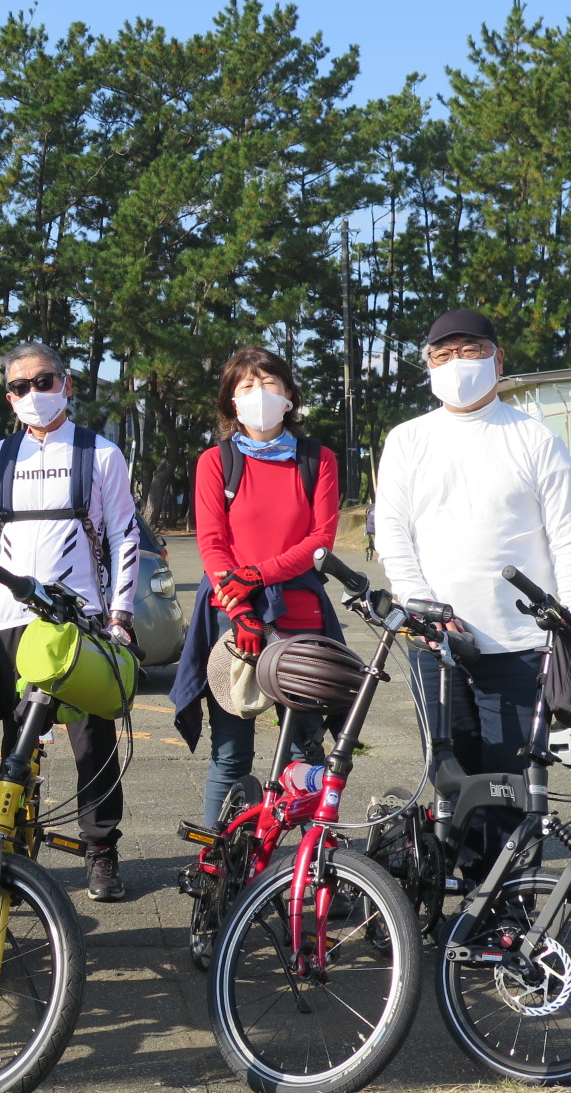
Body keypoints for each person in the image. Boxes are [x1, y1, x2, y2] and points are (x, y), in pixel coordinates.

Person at [375, 308, 571, 872]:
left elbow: (569, 533)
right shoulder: (407, 440)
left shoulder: (534, 437)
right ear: (427, 366)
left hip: (522, 645)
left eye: (469, 350)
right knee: (453, 780)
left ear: (498, 359)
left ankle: (513, 908)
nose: (457, 364)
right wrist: (424, 612)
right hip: (434, 645)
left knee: (515, 786)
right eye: (443, 355)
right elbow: (394, 535)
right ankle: (463, 904)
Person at [0, 341, 139, 901]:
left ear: (65, 384)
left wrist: (120, 617)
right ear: (8, 397)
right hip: (13, 619)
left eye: (43, 381)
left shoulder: (101, 453)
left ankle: (101, 850)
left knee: (93, 740)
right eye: (19, 387)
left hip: (80, 618)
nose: (32, 394)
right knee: (19, 737)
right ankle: (13, 845)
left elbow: (124, 536)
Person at [167, 346, 345, 827]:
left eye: (270, 383)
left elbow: (319, 541)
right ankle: (219, 866)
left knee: (306, 750)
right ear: (230, 401)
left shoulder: (317, 459)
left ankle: (320, 865)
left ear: (289, 396)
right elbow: (212, 543)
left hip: (300, 613)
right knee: (230, 753)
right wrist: (241, 608)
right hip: (232, 616)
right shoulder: (214, 462)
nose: (259, 394)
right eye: (246, 386)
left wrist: (259, 575)